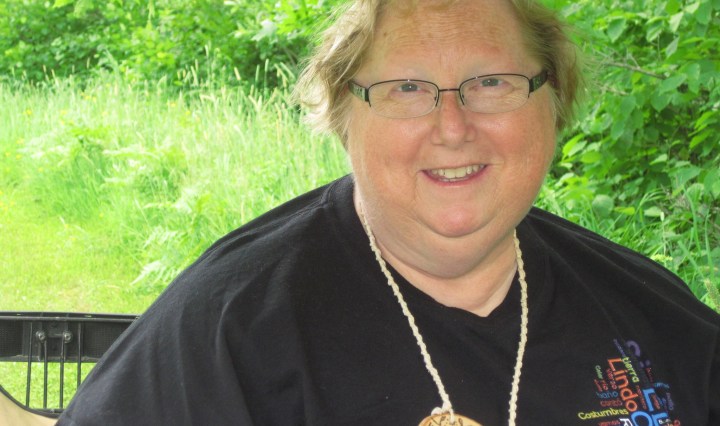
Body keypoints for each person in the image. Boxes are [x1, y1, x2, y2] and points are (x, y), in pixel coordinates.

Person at [57, 0, 719, 424]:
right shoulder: (226, 330)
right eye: (406, 88)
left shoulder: (653, 315)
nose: (453, 126)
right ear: (343, 112)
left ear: (555, 99)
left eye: (492, 82)